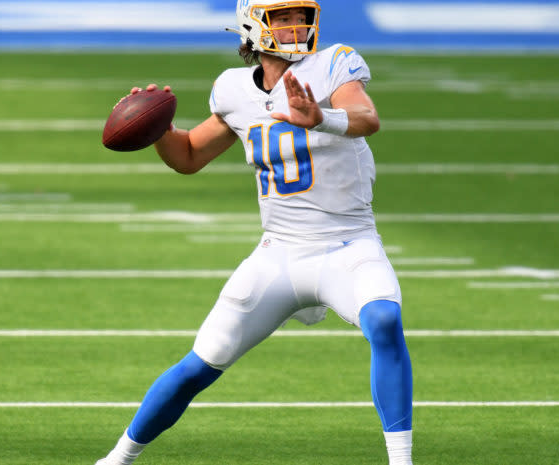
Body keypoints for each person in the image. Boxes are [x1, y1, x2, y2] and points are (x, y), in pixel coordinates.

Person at [95, 1, 414, 464]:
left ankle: (402, 462)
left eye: (300, 14)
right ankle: (118, 458)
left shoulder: (332, 64)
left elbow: (366, 117)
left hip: (349, 244)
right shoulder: (232, 89)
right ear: (254, 24)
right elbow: (187, 157)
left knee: (384, 320)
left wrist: (321, 117)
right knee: (199, 365)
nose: (296, 25)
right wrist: (159, 129)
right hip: (278, 254)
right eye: (282, 17)